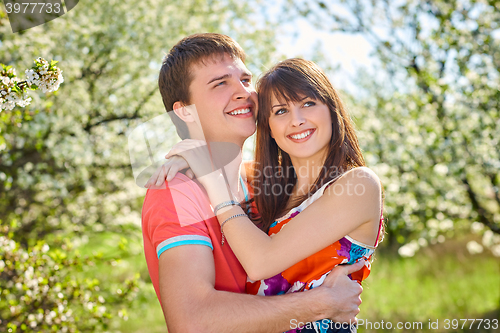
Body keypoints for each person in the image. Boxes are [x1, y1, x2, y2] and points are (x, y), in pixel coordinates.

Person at [141, 33, 364, 333]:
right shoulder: (178, 192)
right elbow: (192, 322)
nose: (244, 93)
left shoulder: (264, 180)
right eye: (221, 83)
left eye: (245, 80)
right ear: (184, 111)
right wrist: (322, 303)